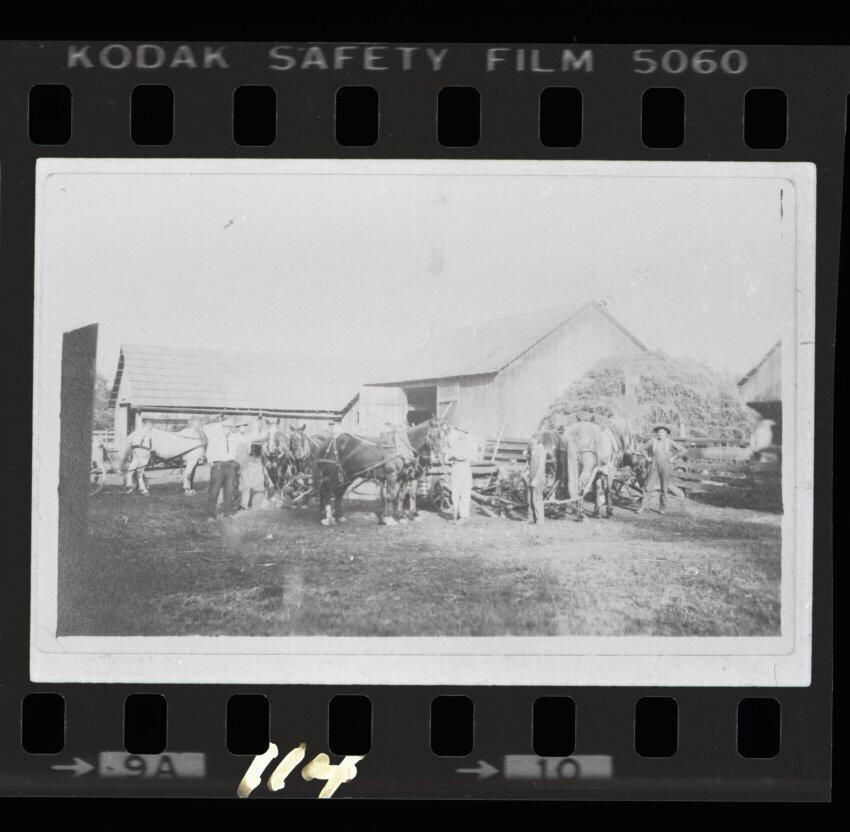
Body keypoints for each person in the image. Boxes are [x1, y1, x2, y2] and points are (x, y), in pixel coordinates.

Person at [636, 425, 684, 514]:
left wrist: (673, 458)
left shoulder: (670, 442)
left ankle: (662, 508)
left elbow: (683, 450)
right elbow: (642, 448)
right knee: (648, 487)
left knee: (664, 488)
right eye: (658, 432)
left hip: (666, 466)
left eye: (662, 432)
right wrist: (647, 457)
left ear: (666, 433)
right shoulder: (653, 441)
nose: (660, 434)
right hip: (654, 466)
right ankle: (643, 507)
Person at [204, 418, 240, 520]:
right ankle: (211, 515)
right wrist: (213, 464)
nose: (228, 431)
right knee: (214, 491)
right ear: (222, 428)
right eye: (227, 428)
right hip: (218, 466)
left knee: (229, 490)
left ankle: (226, 514)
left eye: (230, 429)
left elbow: (236, 451)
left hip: (230, 466)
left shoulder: (233, 438)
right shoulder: (215, 438)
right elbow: (209, 452)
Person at [233, 416, 269, 510]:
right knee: (234, 484)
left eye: (245, 426)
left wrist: (261, 424)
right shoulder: (234, 437)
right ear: (238, 428)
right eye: (241, 426)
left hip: (245, 463)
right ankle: (234, 502)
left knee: (246, 484)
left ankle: (244, 504)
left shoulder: (248, 437)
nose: (243, 428)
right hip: (234, 463)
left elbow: (260, 436)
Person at [445, 426, 477, 522]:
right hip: (455, 467)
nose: (458, 433)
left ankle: (464, 516)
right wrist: (449, 457)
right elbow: (448, 455)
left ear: (464, 432)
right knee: (455, 492)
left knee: (464, 492)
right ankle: (456, 515)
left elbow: (468, 456)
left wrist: (454, 456)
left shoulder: (468, 443)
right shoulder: (456, 443)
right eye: (457, 431)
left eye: (460, 431)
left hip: (464, 467)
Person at [527, 431, 547, 524]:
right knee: (531, 498)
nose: (532, 440)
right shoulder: (534, 449)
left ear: (538, 440)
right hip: (532, 477)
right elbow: (532, 464)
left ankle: (540, 521)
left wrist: (536, 479)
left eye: (534, 439)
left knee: (537, 499)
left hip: (537, 478)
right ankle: (532, 519)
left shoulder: (541, 450)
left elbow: (541, 467)